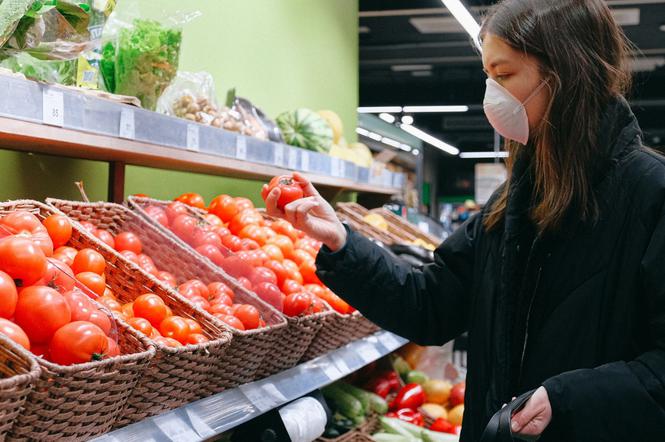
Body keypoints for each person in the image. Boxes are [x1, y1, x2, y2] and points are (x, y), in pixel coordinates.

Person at [265, 0, 665, 440]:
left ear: (566, 75)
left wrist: (569, 399)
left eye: (506, 75)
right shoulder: (513, 203)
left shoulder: (651, 197)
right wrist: (342, 241)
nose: (491, 95)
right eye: (488, 77)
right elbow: (430, 305)